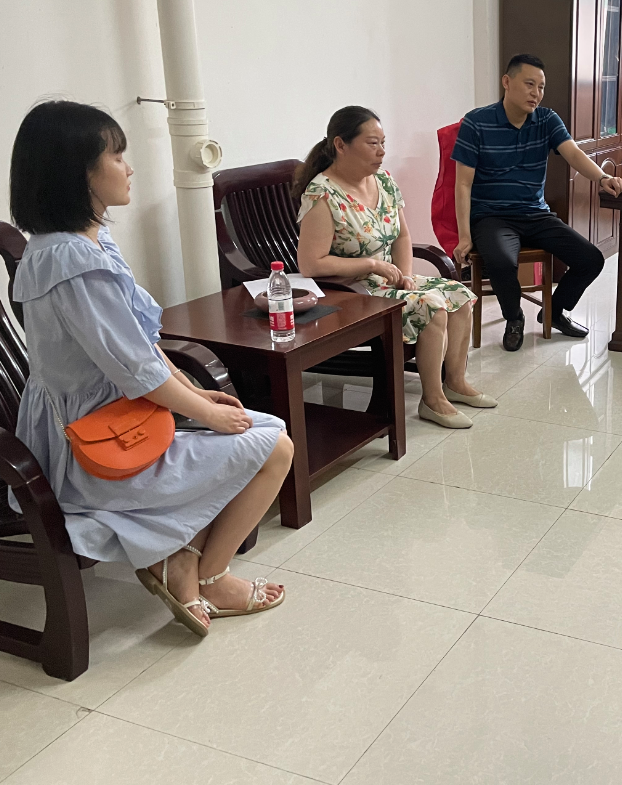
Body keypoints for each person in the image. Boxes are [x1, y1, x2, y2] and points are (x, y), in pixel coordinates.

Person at [8, 101, 293, 637]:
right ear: (78, 173)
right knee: (274, 446)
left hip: (118, 416)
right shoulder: (73, 262)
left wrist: (196, 395)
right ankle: (210, 578)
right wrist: (204, 412)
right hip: (90, 447)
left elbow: (140, 346)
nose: (129, 167)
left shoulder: (82, 243)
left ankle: (181, 563)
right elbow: (135, 368)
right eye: (117, 156)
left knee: (259, 431)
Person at [295, 106, 495, 430]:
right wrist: (372, 264)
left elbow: (402, 235)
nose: (381, 151)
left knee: (459, 296)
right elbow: (310, 264)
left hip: (387, 281)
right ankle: (432, 400)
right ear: (341, 145)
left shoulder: (384, 181)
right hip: (350, 291)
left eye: (383, 143)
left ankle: (455, 383)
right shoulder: (323, 194)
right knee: (432, 307)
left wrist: (405, 275)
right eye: (372, 143)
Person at [451, 53, 622, 352]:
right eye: (529, 84)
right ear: (507, 82)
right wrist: (465, 236)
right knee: (501, 262)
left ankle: (553, 312)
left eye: (541, 87)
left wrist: (602, 178)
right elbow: (463, 183)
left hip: (535, 214)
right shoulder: (476, 122)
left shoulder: (546, 119)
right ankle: (514, 318)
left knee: (591, 259)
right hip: (492, 216)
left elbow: (573, 154)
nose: (536, 93)